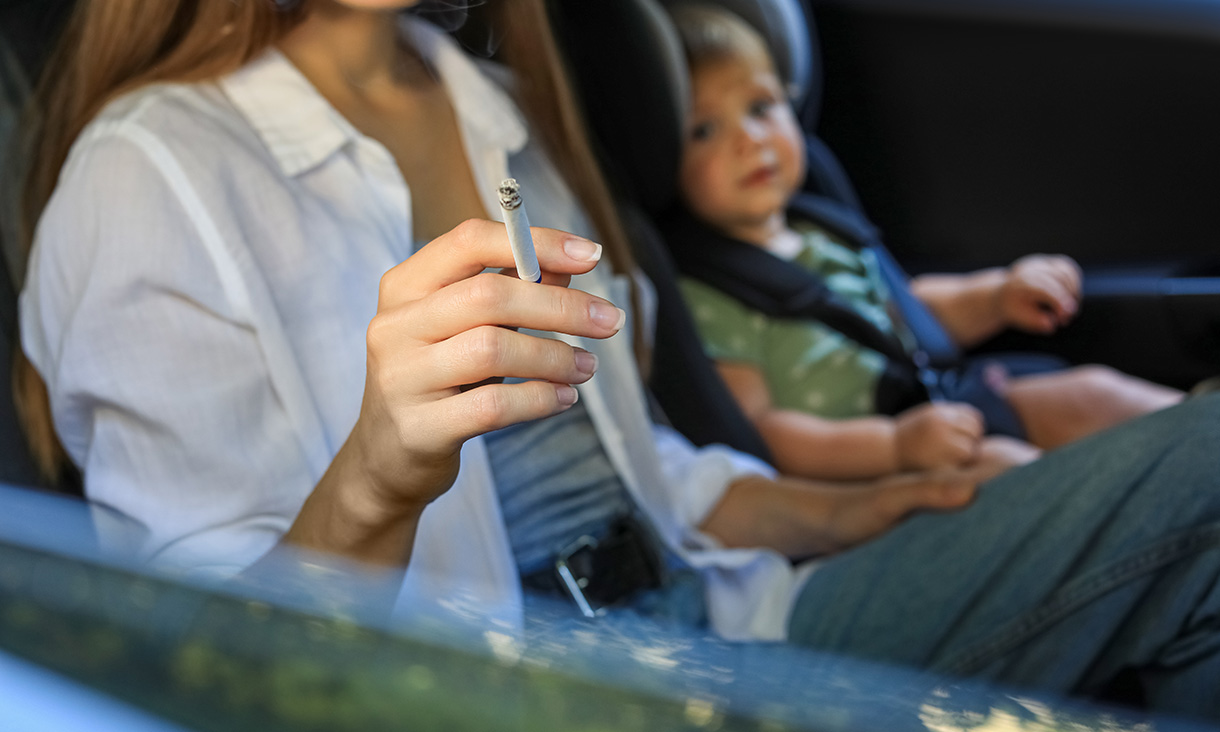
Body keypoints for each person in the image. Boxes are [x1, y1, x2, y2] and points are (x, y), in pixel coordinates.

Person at [13, 0, 1220, 720]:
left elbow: (647, 473)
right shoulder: (147, 177)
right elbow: (198, 673)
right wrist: (378, 477)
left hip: (724, 620)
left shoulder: (488, 97)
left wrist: (865, 504)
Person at [664, 4, 1183, 481]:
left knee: (1090, 393)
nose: (750, 138)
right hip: (873, 469)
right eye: (705, 130)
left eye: (760, 107)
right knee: (1013, 469)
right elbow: (762, 431)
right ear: (661, 158)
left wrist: (997, 296)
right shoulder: (707, 294)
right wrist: (892, 447)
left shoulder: (819, 227)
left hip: (938, 407)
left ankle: (1200, 435)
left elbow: (906, 314)